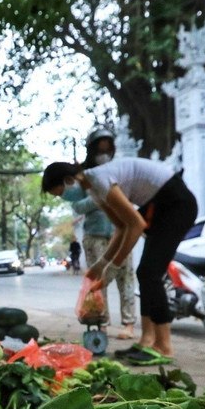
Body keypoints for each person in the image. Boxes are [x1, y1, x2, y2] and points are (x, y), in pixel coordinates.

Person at [42, 155, 198, 365]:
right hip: (158, 206)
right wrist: (101, 264)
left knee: (149, 274)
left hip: (176, 203)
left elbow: (135, 225)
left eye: (60, 193)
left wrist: (114, 266)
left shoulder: (99, 179)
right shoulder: (94, 190)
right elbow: (121, 227)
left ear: (69, 180)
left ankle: (164, 346)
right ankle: (146, 341)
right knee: (146, 275)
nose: (65, 198)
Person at [60, 127, 137, 339]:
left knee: (126, 277)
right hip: (94, 234)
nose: (104, 153)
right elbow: (76, 206)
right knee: (97, 280)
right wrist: (99, 198)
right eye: (99, 148)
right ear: (92, 150)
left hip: (121, 233)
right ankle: (101, 322)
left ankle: (129, 323)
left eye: (107, 148)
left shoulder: (120, 171)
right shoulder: (86, 176)